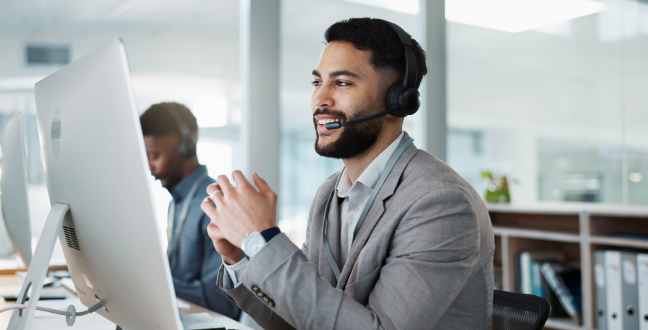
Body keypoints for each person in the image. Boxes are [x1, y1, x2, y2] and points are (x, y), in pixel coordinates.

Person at [201, 18, 494, 329]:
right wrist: (242, 257)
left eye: (341, 83)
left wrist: (265, 242)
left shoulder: (442, 203)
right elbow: (302, 317)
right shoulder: (328, 194)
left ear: (397, 100)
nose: (319, 100)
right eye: (317, 83)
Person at [140, 102, 239, 319]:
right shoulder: (175, 203)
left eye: (154, 156)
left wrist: (149, 281)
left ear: (185, 148)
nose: (149, 167)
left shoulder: (216, 204)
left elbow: (220, 300)